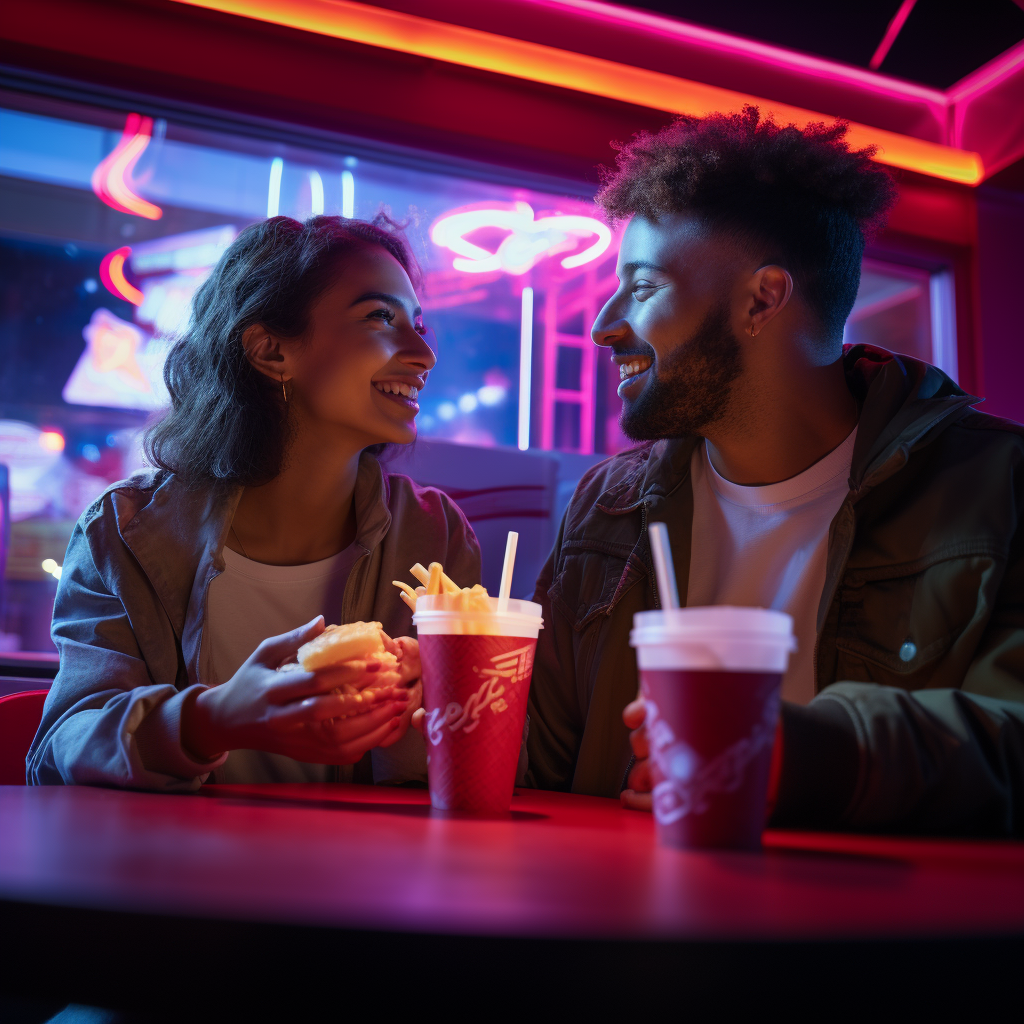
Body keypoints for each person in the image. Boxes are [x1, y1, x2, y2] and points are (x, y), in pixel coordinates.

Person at [525, 107, 1024, 834]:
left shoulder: (996, 481)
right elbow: (540, 771)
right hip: (627, 925)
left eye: (643, 287)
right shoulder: (609, 503)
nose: (603, 324)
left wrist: (808, 758)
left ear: (762, 299)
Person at [28, 214, 480, 790]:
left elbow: (448, 778)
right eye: (379, 317)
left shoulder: (432, 536)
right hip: (170, 872)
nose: (423, 353)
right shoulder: (125, 532)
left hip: (364, 874)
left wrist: (432, 707)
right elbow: (60, 746)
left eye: (417, 324)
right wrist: (213, 718)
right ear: (271, 352)